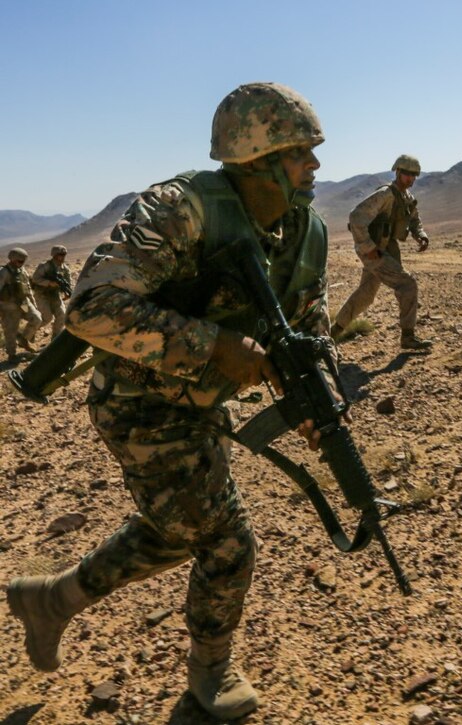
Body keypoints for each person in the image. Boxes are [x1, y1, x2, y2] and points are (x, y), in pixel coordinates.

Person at [5, 82, 335, 720]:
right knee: (226, 540)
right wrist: (213, 346)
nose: (316, 167)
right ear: (256, 160)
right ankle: (210, 680)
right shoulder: (178, 208)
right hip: (137, 405)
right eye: (301, 154)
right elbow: (91, 309)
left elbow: (308, 331)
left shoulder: (306, 231)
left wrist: (317, 406)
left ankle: (51, 600)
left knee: (177, 528)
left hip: (200, 404)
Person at [331, 154, 432, 350]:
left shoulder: (407, 198)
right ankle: (408, 337)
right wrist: (369, 248)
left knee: (366, 294)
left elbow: (413, 220)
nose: (410, 179)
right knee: (407, 284)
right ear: (398, 172)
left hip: (387, 249)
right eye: (406, 174)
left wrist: (421, 235)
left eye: (414, 175)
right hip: (375, 250)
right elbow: (356, 217)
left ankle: (331, 334)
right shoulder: (386, 194)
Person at [0, 247, 43, 360]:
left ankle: (24, 340)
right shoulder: (4, 272)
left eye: (23, 261)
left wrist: (33, 303)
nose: (22, 263)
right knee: (10, 331)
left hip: (23, 303)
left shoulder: (22, 270)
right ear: (12, 259)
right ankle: (12, 354)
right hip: (9, 307)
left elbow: (27, 288)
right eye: (20, 261)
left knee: (36, 318)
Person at [31, 244, 73, 340]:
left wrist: (67, 292)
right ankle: (30, 331)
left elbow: (68, 282)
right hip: (42, 295)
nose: (62, 257)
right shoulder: (45, 266)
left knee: (62, 315)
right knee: (47, 318)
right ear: (54, 255)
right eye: (60, 255)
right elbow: (35, 278)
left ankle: (55, 339)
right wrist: (49, 283)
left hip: (55, 295)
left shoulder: (65, 269)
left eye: (64, 255)